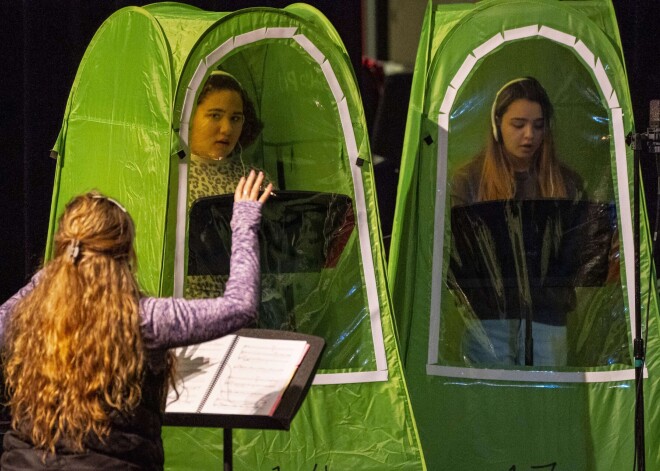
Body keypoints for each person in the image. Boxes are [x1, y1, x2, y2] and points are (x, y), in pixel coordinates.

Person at [0, 170, 272, 469]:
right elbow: (240, 306)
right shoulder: (144, 319)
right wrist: (244, 220)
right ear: (127, 253)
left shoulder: (28, 313)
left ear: (63, 247)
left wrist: (64, 268)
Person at [450, 76, 584, 367]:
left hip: (547, 320)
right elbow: (458, 259)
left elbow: (576, 257)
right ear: (497, 126)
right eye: (518, 124)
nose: (529, 135)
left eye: (538, 126)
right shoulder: (468, 181)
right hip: (489, 322)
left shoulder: (567, 183)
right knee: (492, 407)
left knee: (545, 408)